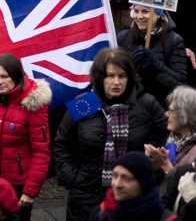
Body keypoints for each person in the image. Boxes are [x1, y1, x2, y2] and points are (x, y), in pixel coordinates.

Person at [54, 47, 168, 221]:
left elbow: (166, 139)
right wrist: (74, 178)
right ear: (100, 78)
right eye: (110, 76)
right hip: (86, 196)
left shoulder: (145, 103)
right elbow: (62, 143)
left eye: (122, 76)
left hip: (133, 196)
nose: (116, 82)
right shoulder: (84, 103)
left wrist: (151, 173)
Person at [0, 53, 52, 220]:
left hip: (17, 184)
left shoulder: (33, 104)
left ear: (15, 75)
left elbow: (41, 152)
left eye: (4, 76)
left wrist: (29, 192)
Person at [117, 5, 188, 104]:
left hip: (162, 108)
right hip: (132, 107)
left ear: (158, 14)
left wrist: (156, 65)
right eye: (136, 11)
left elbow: (180, 85)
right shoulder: (123, 37)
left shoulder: (173, 40)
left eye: (145, 11)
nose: (139, 16)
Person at [94, 152, 177, 221]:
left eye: (126, 178)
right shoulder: (103, 212)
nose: (117, 184)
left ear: (143, 183)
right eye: (115, 176)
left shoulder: (166, 218)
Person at [144, 86, 196, 172]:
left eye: (171, 111)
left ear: (185, 114)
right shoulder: (172, 141)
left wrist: (165, 164)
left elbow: (186, 184)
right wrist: (152, 161)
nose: (166, 114)